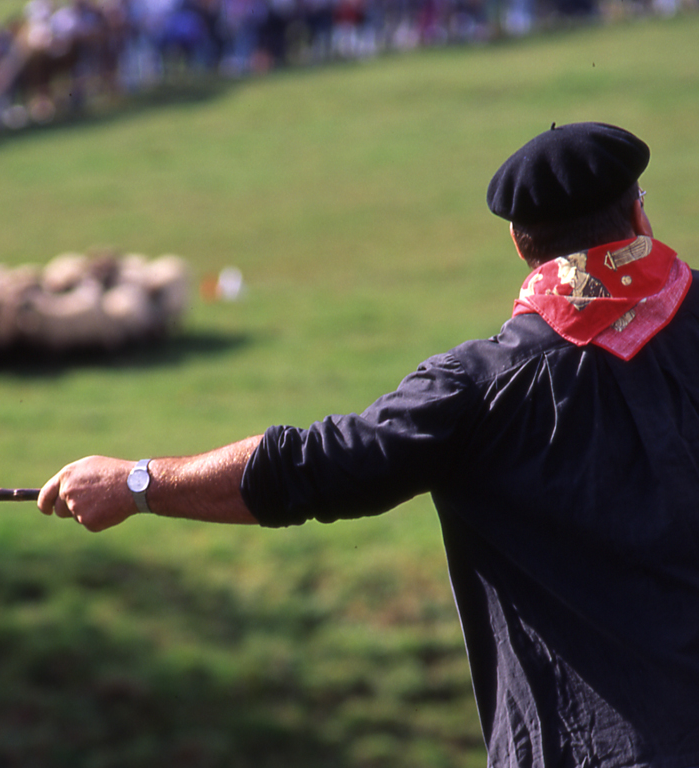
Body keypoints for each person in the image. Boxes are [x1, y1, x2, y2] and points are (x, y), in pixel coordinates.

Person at [37, 122, 699, 766]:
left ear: (520, 245)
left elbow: (312, 467)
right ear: (637, 217)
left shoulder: (474, 389)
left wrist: (136, 484)